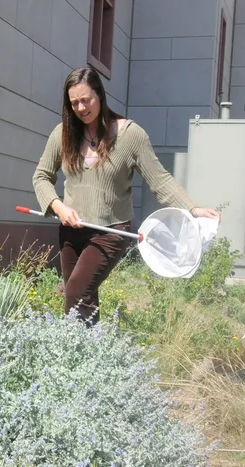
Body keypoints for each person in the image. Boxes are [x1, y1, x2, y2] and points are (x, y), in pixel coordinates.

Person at [32, 67, 219, 326]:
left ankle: (74, 355)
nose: (80, 107)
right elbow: (41, 176)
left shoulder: (131, 135)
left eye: (86, 100)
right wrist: (57, 206)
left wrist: (193, 208)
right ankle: (88, 359)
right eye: (73, 102)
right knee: (83, 301)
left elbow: (160, 179)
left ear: (100, 95)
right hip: (71, 230)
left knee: (76, 294)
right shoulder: (62, 134)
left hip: (110, 231)